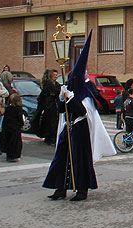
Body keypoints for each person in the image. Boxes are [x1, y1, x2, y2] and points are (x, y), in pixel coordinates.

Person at [43, 32, 116, 201]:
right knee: (61, 157)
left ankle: (81, 189)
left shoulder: (85, 92)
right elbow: (62, 110)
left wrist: (71, 99)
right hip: (68, 127)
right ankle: (60, 188)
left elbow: (84, 112)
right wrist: (62, 98)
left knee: (80, 159)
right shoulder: (69, 89)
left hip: (80, 127)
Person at [36, 69, 60, 145]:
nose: (55, 76)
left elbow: (57, 92)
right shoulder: (48, 83)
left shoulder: (57, 84)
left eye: (56, 75)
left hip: (54, 104)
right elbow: (52, 92)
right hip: (48, 105)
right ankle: (49, 138)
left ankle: (52, 137)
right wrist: (54, 93)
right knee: (49, 121)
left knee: (54, 121)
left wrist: (55, 93)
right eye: (54, 75)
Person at [3, 93, 23, 162]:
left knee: (9, 142)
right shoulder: (18, 109)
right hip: (16, 127)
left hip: (8, 127)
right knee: (16, 143)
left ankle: (9, 155)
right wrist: (21, 124)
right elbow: (20, 118)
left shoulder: (8, 109)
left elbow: (5, 118)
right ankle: (15, 156)